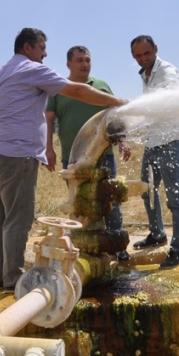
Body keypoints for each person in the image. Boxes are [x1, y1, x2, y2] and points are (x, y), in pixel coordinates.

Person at [0, 28, 127, 292]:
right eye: (42, 47)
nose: (45, 53)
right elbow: (76, 91)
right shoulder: (32, 70)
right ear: (27, 48)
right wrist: (117, 101)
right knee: (18, 220)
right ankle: (12, 280)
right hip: (17, 155)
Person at [45, 46, 132, 261]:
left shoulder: (101, 86)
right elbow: (48, 120)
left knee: (110, 201)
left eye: (87, 60)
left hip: (104, 158)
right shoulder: (59, 89)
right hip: (73, 160)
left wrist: (123, 140)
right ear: (69, 64)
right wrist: (48, 148)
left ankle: (117, 249)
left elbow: (115, 116)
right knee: (81, 204)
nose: (85, 64)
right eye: (79, 60)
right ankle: (87, 252)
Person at [130, 35, 179, 268]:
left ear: (155, 49)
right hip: (152, 142)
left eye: (147, 53)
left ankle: (178, 250)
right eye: (138, 56)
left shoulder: (166, 71)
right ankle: (157, 234)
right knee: (147, 191)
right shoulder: (145, 75)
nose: (143, 59)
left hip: (170, 141)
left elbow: (170, 94)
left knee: (175, 198)